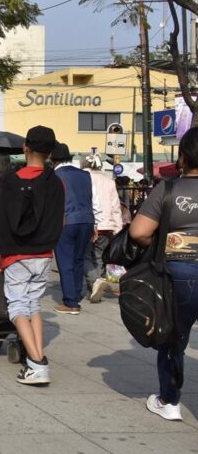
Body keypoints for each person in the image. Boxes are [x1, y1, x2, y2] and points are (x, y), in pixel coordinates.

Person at [130, 127, 198, 421]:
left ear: (182, 156)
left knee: (174, 336)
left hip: (178, 270)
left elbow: (139, 232)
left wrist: (161, 246)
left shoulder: (167, 190)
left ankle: (169, 400)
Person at [0, 126, 65, 385]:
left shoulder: (14, 180)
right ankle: (37, 356)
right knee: (34, 305)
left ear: (26, 146)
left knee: (18, 306)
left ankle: (37, 362)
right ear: (49, 151)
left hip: (17, 254)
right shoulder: (54, 181)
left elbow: (7, 218)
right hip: (44, 252)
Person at [51, 143, 98, 315]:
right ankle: (76, 294)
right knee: (78, 259)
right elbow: (94, 199)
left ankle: (70, 302)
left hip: (66, 221)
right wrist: (96, 224)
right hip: (87, 220)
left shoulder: (54, 175)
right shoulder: (85, 175)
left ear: (53, 160)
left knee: (65, 262)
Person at [83, 153, 123, 303]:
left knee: (86, 256)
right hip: (107, 226)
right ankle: (95, 285)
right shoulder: (109, 181)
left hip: (89, 223)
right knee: (99, 257)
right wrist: (118, 227)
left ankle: (95, 282)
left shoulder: (83, 179)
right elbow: (115, 206)